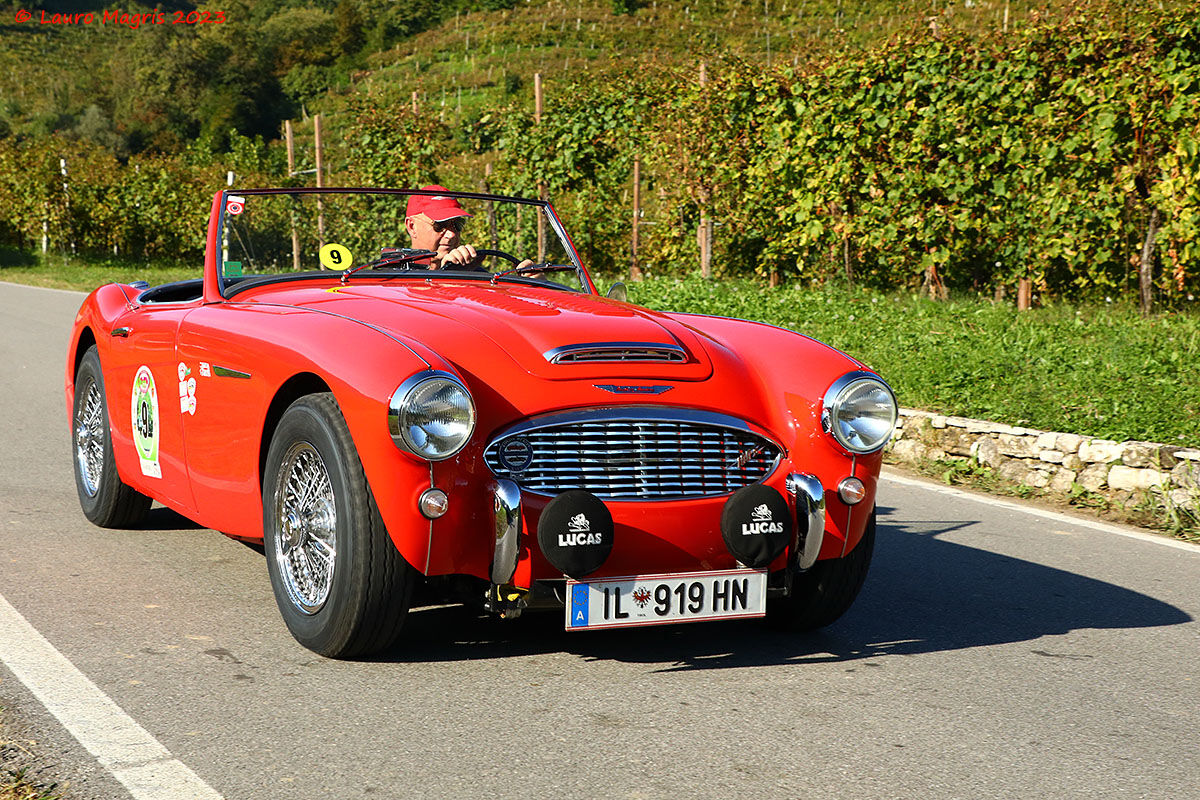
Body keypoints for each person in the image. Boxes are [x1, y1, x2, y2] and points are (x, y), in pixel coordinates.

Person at [403, 186, 481, 269]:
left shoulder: (473, 275)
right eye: (439, 225)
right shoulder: (393, 277)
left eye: (457, 224)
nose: (451, 234)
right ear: (412, 227)